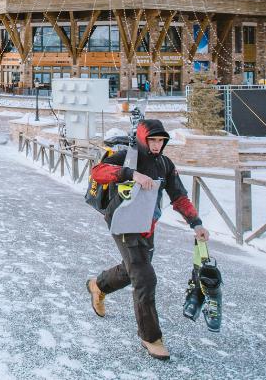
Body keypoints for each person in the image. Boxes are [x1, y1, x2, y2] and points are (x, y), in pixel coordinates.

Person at [86, 119, 208, 361]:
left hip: (146, 226)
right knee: (145, 278)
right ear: (143, 139)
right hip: (122, 222)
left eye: (161, 140)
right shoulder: (128, 157)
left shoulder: (165, 164)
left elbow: (179, 196)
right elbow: (97, 172)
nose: (156, 145)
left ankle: (98, 285)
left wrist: (196, 223)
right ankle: (150, 337)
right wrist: (131, 173)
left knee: (132, 269)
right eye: (152, 140)